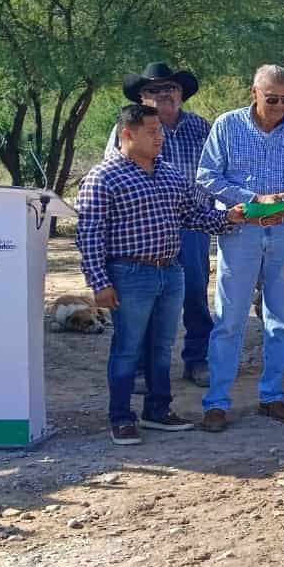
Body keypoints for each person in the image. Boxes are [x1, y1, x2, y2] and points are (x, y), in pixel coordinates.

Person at [78, 104, 245, 445]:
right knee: (127, 348)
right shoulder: (103, 177)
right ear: (127, 134)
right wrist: (99, 282)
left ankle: (157, 410)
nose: (160, 137)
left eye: (160, 132)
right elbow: (89, 233)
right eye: (152, 132)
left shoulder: (169, 173)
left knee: (162, 346)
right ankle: (121, 417)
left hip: (170, 272)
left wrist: (229, 218)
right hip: (128, 272)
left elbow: (193, 216)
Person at [196, 65, 284, 432]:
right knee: (230, 320)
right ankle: (217, 402)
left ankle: (272, 395)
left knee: (281, 318)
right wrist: (254, 199)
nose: (279, 106)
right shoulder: (227, 125)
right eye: (272, 98)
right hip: (242, 230)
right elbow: (206, 176)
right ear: (253, 92)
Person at [105, 63, 214, 387]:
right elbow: (112, 174)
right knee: (143, 299)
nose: (164, 94)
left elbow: (217, 171)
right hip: (144, 229)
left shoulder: (200, 127)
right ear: (142, 97)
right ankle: (140, 368)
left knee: (195, 294)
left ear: (181, 94)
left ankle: (197, 360)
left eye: (171, 88)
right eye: (154, 89)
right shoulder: (124, 131)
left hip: (193, 224)